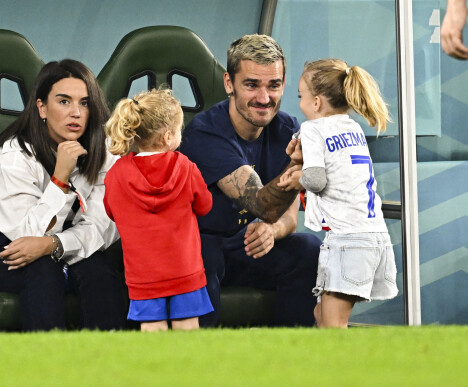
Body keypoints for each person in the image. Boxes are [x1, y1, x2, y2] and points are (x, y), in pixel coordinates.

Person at [0, 59, 127, 331]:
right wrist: (60, 179)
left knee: (98, 271)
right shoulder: (10, 157)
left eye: (84, 103)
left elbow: (102, 229)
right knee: (42, 271)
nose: (75, 112)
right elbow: (25, 235)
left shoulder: (104, 153)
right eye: (64, 102)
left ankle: (107, 364)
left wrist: (54, 245)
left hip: (57, 248)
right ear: (42, 107)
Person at [180, 34, 321, 327]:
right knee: (204, 255)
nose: (264, 98)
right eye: (251, 84)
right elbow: (261, 203)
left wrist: (273, 229)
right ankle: (204, 364)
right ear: (229, 83)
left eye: (274, 85)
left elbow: (287, 218)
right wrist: (297, 164)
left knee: (307, 250)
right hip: (205, 245)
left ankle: (292, 358)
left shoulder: (287, 129)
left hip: (246, 248)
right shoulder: (205, 133)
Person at [278, 58, 398, 328]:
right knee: (321, 315)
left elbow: (317, 181)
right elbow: (337, 170)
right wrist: (302, 161)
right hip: (374, 238)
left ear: (317, 102)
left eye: (301, 96)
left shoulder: (312, 128)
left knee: (333, 328)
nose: (300, 103)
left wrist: (298, 177)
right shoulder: (352, 128)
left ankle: (345, 371)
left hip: (348, 242)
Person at [103, 88, 214, 332]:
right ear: (167, 137)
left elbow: (111, 212)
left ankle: (156, 370)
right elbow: (205, 206)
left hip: (143, 274)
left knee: (151, 330)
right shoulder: (185, 167)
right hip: (185, 269)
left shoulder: (116, 174)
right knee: (188, 329)